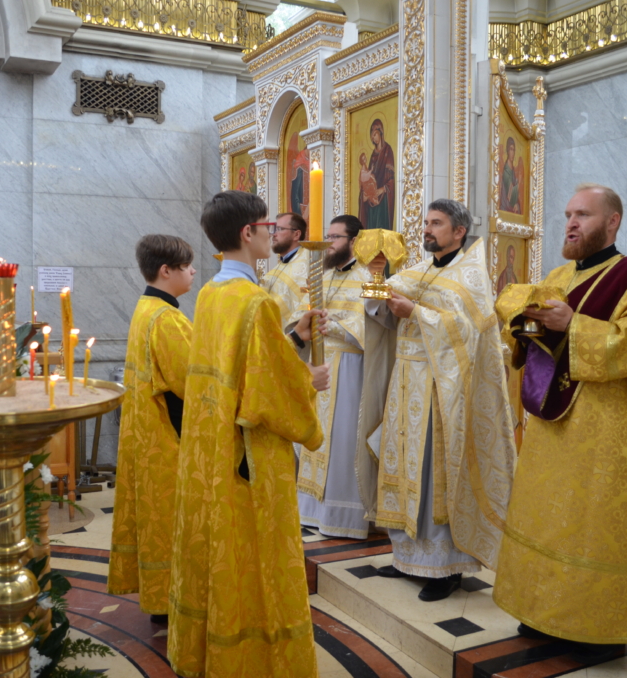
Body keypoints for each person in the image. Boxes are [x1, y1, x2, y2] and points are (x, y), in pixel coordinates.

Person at [492, 184, 627, 656]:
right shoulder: (557, 275)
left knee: (591, 527)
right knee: (548, 521)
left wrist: (571, 323)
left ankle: (595, 627)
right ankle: (544, 612)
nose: (571, 223)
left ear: (612, 221)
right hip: (553, 429)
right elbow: (534, 344)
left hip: (604, 433)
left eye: (584, 216)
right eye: (568, 214)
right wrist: (523, 322)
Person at [168, 190, 330, 678]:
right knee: (258, 557)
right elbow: (264, 396)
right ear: (247, 233)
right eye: (266, 225)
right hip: (251, 457)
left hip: (214, 449)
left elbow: (237, 367)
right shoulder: (256, 301)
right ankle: (257, 659)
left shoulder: (214, 293)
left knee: (225, 552)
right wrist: (308, 380)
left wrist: (295, 337)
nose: (270, 233)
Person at [365, 199, 516, 601]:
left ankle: (443, 567)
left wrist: (415, 312)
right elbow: (379, 305)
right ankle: (405, 556)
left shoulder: (469, 276)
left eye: (436, 223)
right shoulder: (422, 269)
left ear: (458, 231)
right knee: (403, 466)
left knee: (434, 472)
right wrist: (377, 277)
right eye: (426, 222)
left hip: (439, 387)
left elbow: (469, 334)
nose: (427, 229)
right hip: (405, 382)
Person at [108, 235, 196, 625]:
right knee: (170, 520)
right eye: (187, 266)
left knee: (157, 519)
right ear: (166, 271)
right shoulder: (167, 319)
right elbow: (193, 379)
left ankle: (162, 598)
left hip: (146, 436)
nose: (193, 272)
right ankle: (171, 601)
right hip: (166, 440)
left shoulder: (145, 308)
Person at [293, 215, 391, 539]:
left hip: (350, 370)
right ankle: (311, 511)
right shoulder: (321, 275)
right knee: (316, 439)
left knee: (343, 440)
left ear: (353, 240)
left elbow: (374, 329)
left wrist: (333, 325)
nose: (329, 242)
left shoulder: (368, 276)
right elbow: (299, 312)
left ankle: (343, 517)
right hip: (320, 367)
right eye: (327, 236)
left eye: (335, 237)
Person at [260, 212, 309, 332]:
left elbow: (309, 300)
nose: (274, 235)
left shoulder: (310, 262)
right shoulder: (276, 270)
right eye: (274, 229)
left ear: (296, 234)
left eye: (280, 229)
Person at [358, 119, 395, 230]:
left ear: (381, 132)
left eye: (375, 134)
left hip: (383, 200)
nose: (373, 137)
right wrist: (365, 194)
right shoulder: (373, 154)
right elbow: (369, 177)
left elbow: (391, 179)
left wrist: (382, 189)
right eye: (372, 136)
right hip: (372, 200)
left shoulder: (388, 151)